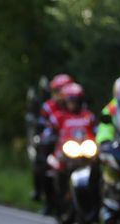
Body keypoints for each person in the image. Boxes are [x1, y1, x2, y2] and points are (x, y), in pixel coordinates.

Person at [32, 74, 74, 205]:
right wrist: (46, 137)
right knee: (42, 163)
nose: (59, 95)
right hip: (53, 141)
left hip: (73, 142)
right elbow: (43, 125)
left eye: (60, 91)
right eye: (56, 92)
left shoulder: (75, 104)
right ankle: (43, 196)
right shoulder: (48, 107)